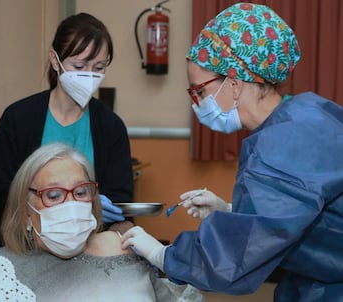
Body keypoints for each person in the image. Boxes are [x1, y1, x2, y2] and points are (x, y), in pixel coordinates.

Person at [121, 3, 343, 301]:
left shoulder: (279, 145)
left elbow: (235, 258)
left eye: (199, 90)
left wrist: (163, 254)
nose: (197, 102)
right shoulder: (308, 112)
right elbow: (294, 216)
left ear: (235, 84)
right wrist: (230, 211)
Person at [0, 143, 204, 301]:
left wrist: (162, 257)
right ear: (26, 213)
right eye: (53, 195)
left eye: (81, 192)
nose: (71, 205)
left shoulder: (123, 248)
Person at [0, 12, 134, 256]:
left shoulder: (110, 127)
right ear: (54, 60)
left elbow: (121, 197)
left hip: (85, 250)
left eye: (98, 67)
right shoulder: (18, 118)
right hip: (19, 246)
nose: (89, 75)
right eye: (78, 66)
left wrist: (100, 208)